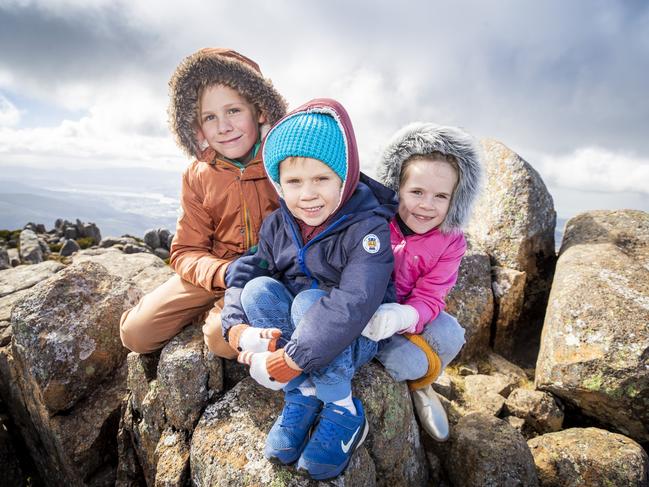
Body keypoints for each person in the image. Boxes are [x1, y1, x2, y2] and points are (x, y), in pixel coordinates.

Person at [220, 98, 397, 480]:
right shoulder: (277, 226)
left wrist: (289, 361)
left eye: (322, 179)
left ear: (345, 178)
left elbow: (354, 302)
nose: (308, 194)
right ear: (279, 186)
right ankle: (303, 394)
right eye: (294, 182)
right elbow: (243, 273)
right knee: (258, 290)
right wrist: (235, 327)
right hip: (305, 336)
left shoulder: (367, 228)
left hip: (357, 335)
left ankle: (343, 408)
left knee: (310, 302)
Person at [119, 48, 287, 358]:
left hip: (271, 271)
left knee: (221, 340)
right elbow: (185, 251)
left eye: (233, 111)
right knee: (135, 334)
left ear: (259, 110)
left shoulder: (285, 159)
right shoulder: (198, 174)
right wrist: (222, 272)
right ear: (198, 128)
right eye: (210, 117)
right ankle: (210, 307)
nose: (223, 126)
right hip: (219, 269)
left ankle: (222, 316)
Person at [361, 122, 482, 441]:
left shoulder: (450, 241)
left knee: (451, 334)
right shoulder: (374, 221)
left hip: (406, 313)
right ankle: (414, 373)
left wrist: (404, 317)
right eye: (416, 192)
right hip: (363, 311)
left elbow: (431, 296)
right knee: (406, 361)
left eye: (441, 196)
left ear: (455, 200)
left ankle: (422, 384)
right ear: (396, 187)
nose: (427, 205)